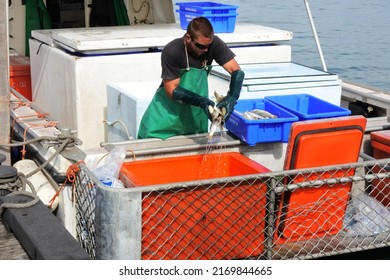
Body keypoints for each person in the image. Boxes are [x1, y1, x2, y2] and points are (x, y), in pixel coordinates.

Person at [137, 17, 244, 139]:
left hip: (194, 116)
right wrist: (201, 101)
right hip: (167, 116)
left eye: (209, 45)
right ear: (188, 38)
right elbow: (171, 90)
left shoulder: (213, 44)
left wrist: (231, 98)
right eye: (201, 46)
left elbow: (236, 72)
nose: (206, 50)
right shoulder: (172, 51)